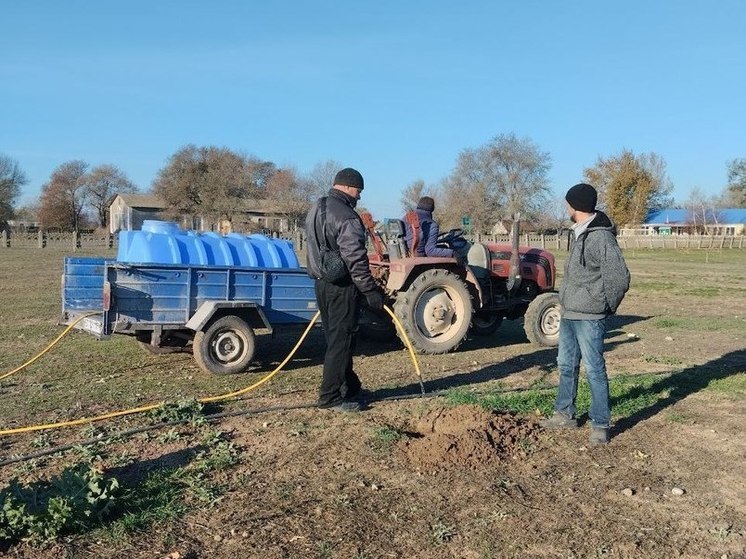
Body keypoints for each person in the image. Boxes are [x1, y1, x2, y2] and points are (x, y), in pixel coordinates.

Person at [541, 183, 630, 445]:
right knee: (566, 365)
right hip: (569, 313)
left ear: (575, 205)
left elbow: (620, 278)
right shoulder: (578, 232)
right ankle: (564, 414)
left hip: (590, 316)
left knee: (594, 369)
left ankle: (600, 423)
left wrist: (604, 306)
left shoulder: (601, 237)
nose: (566, 207)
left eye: (568, 202)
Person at [305, 167, 385, 412]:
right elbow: (356, 260)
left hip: (321, 284)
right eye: (358, 191)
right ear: (349, 187)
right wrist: (370, 291)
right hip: (341, 288)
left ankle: (349, 388)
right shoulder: (348, 217)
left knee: (336, 339)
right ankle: (330, 397)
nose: (359, 196)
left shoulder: (316, 208)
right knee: (342, 341)